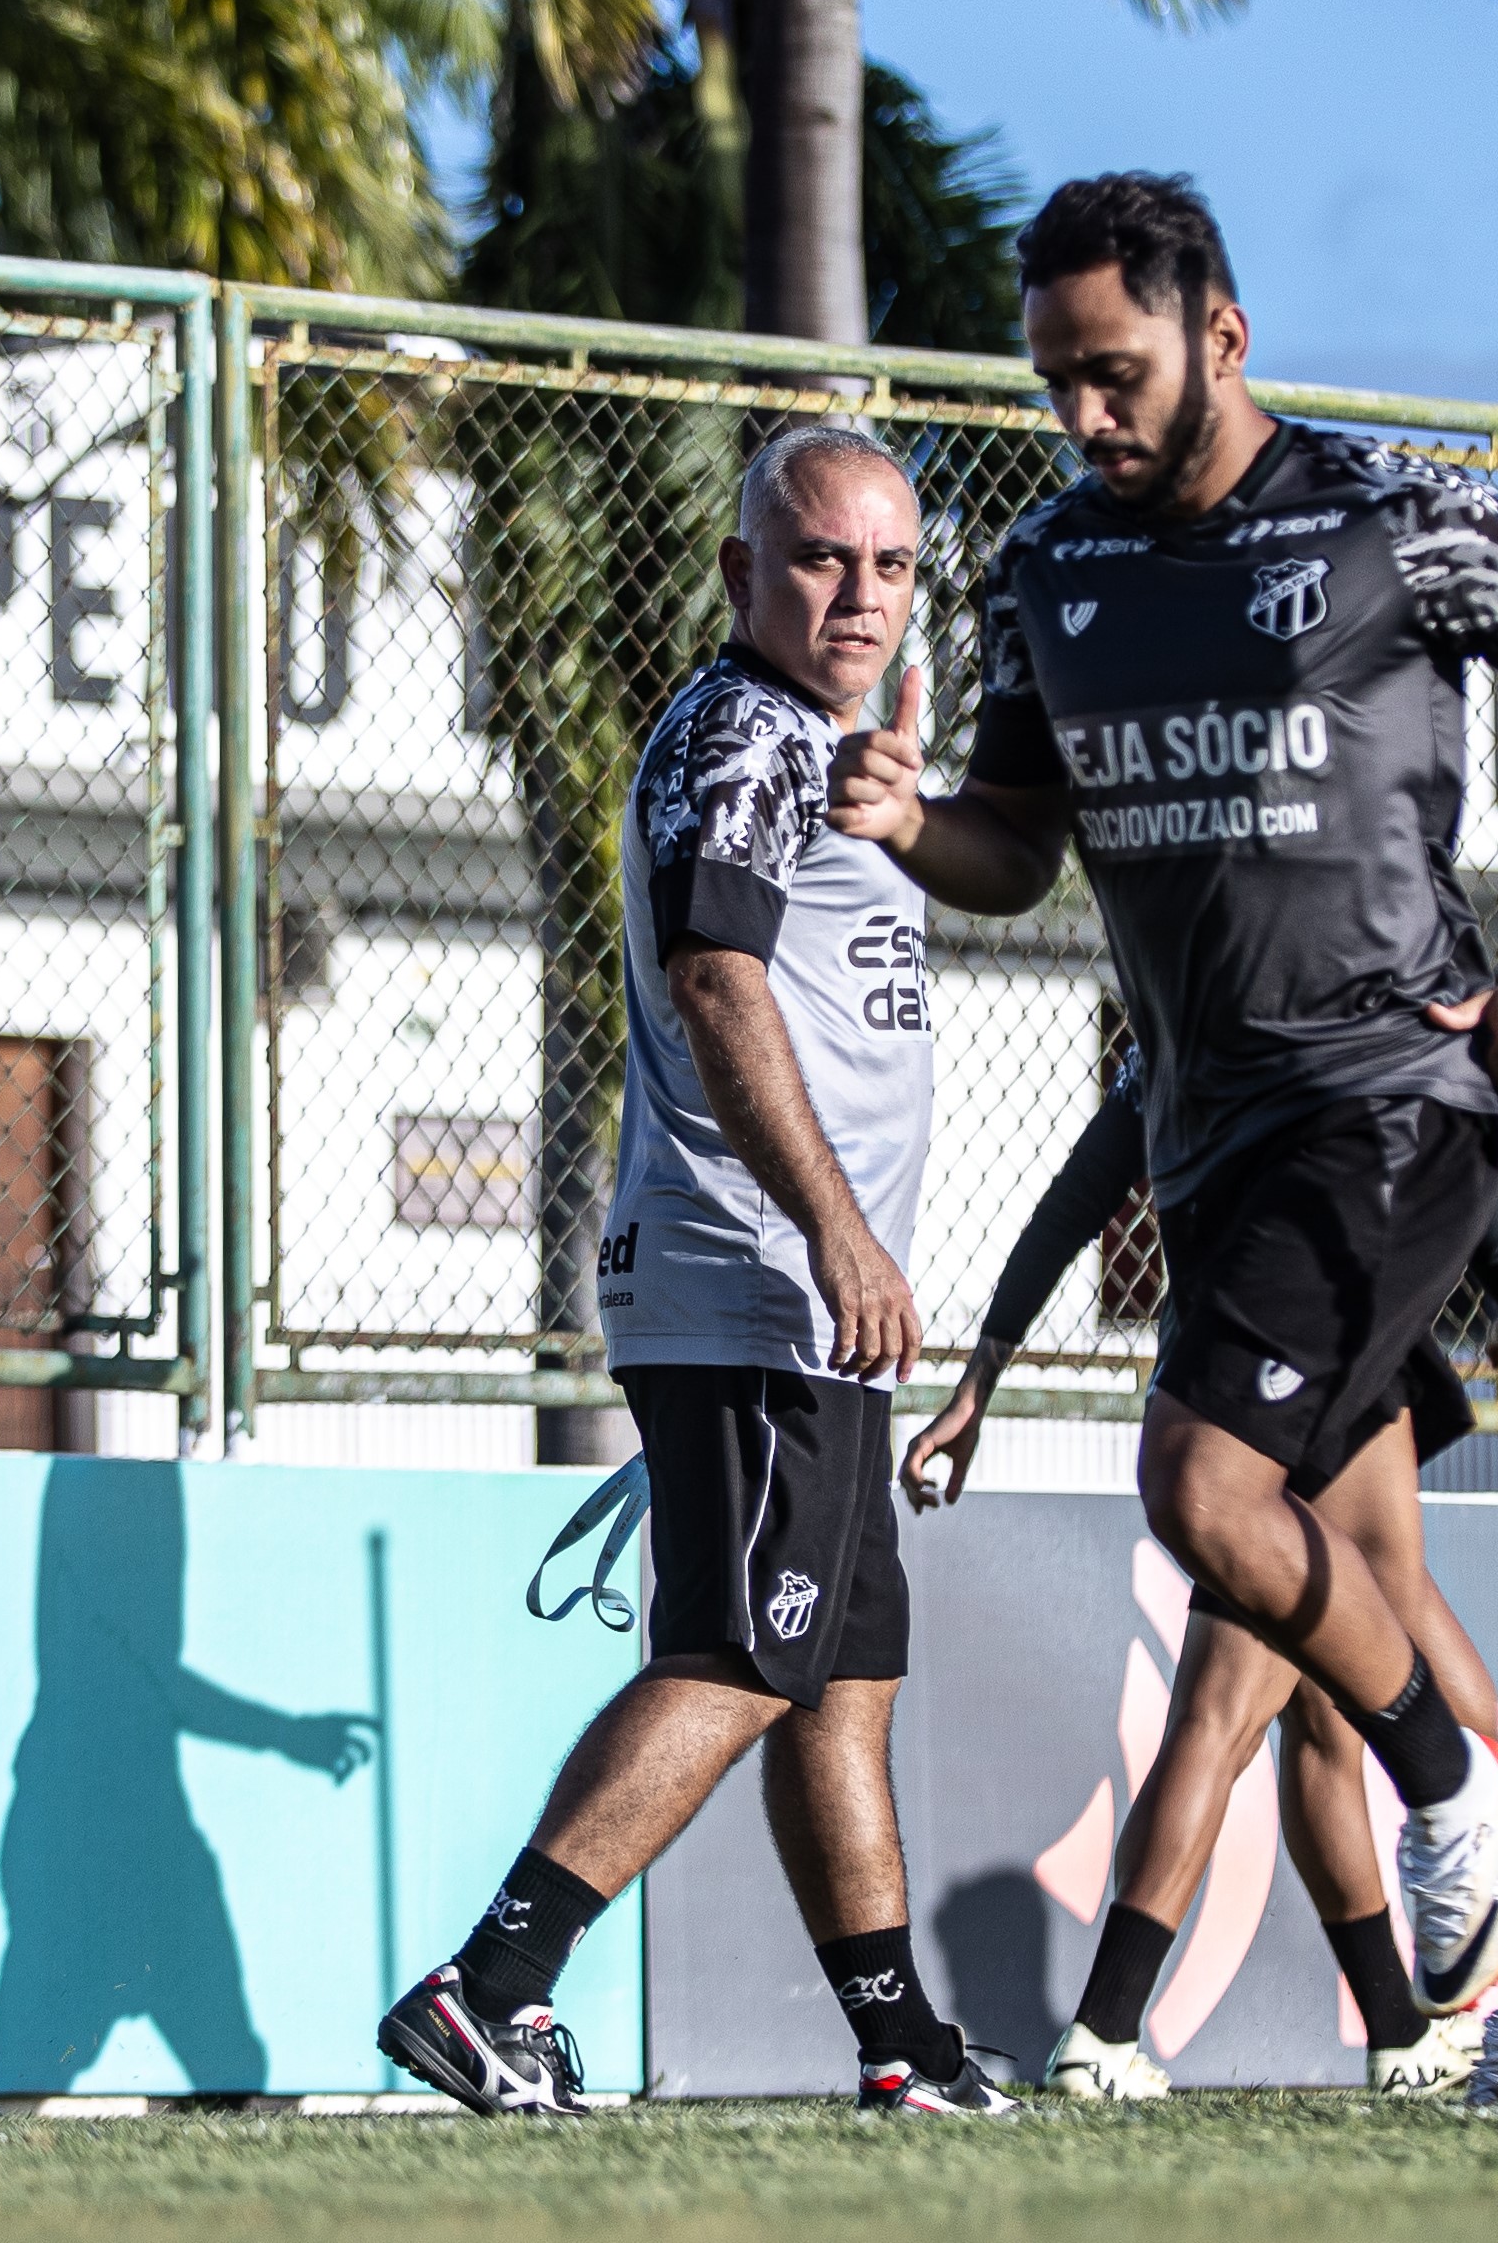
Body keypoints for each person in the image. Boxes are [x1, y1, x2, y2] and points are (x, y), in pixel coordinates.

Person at [829, 171, 1498, 2107]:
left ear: (1223, 331)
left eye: (1114, 372)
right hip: (1213, 1146)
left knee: (1210, 1498)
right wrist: (909, 826)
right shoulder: (1049, 564)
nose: (1080, 416)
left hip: (1386, 1101)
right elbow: (1016, 844)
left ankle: (1451, 1807)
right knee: (1357, 1558)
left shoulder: (1404, 521)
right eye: (1052, 380)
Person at [379, 428, 1013, 2123]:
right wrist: (835, 1223)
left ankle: (901, 2043)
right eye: (821, 558)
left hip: (814, 1308)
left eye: (890, 564)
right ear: (745, 573)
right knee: (743, 1651)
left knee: (839, 1676)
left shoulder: (838, 745)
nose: (860, 593)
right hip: (753, 1277)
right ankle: (485, 1986)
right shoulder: (740, 730)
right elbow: (721, 981)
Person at [898, 1054, 1498, 2096]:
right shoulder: (1315, 991)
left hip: (1218, 1379)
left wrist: (981, 1377)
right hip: (1315, 1370)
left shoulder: (1169, 1030)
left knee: (1320, 1725)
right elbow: (1451, 1153)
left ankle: (1395, 2034)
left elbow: (1071, 1204)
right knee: (1345, 1644)